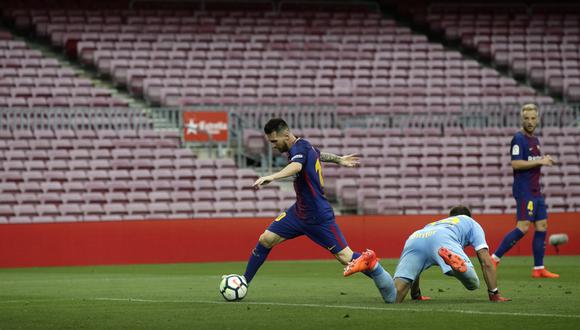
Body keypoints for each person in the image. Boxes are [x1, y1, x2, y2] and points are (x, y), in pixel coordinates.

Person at [236, 118, 396, 303]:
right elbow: (319, 155)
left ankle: (386, 279)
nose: (272, 146)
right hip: (298, 212)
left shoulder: (299, 150)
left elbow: (296, 166)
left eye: (274, 141)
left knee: (346, 258)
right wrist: (338, 159)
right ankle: (244, 282)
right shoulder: (303, 147)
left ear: (286, 135)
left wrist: (272, 177)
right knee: (266, 239)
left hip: (318, 216)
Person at [348, 205, 510, 303]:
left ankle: (374, 266)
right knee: (473, 284)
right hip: (443, 240)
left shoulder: (434, 223)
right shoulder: (471, 223)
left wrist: (415, 294)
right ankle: (453, 264)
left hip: (416, 236)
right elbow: (485, 260)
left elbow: (416, 271)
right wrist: (494, 293)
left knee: (394, 297)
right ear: (466, 216)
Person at [491, 104, 559, 278]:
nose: (530, 121)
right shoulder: (518, 139)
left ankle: (538, 268)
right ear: (522, 119)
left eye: (533, 118)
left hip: (537, 191)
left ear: (537, 119)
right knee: (522, 227)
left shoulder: (535, 140)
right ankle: (494, 258)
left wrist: (545, 160)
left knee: (542, 225)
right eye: (527, 118)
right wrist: (540, 162)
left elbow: (535, 160)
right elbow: (516, 163)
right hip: (524, 190)